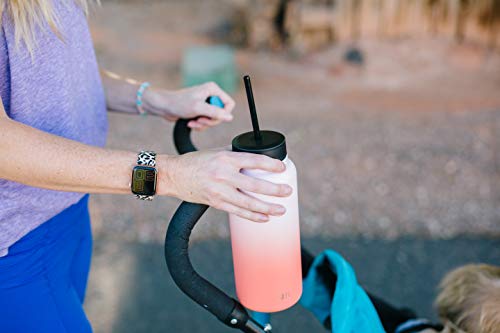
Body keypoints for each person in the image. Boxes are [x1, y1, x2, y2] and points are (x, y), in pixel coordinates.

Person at [0, 1, 293, 332]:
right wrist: (169, 174)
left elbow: (63, 71)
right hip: (13, 246)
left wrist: (155, 98)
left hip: (68, 210)